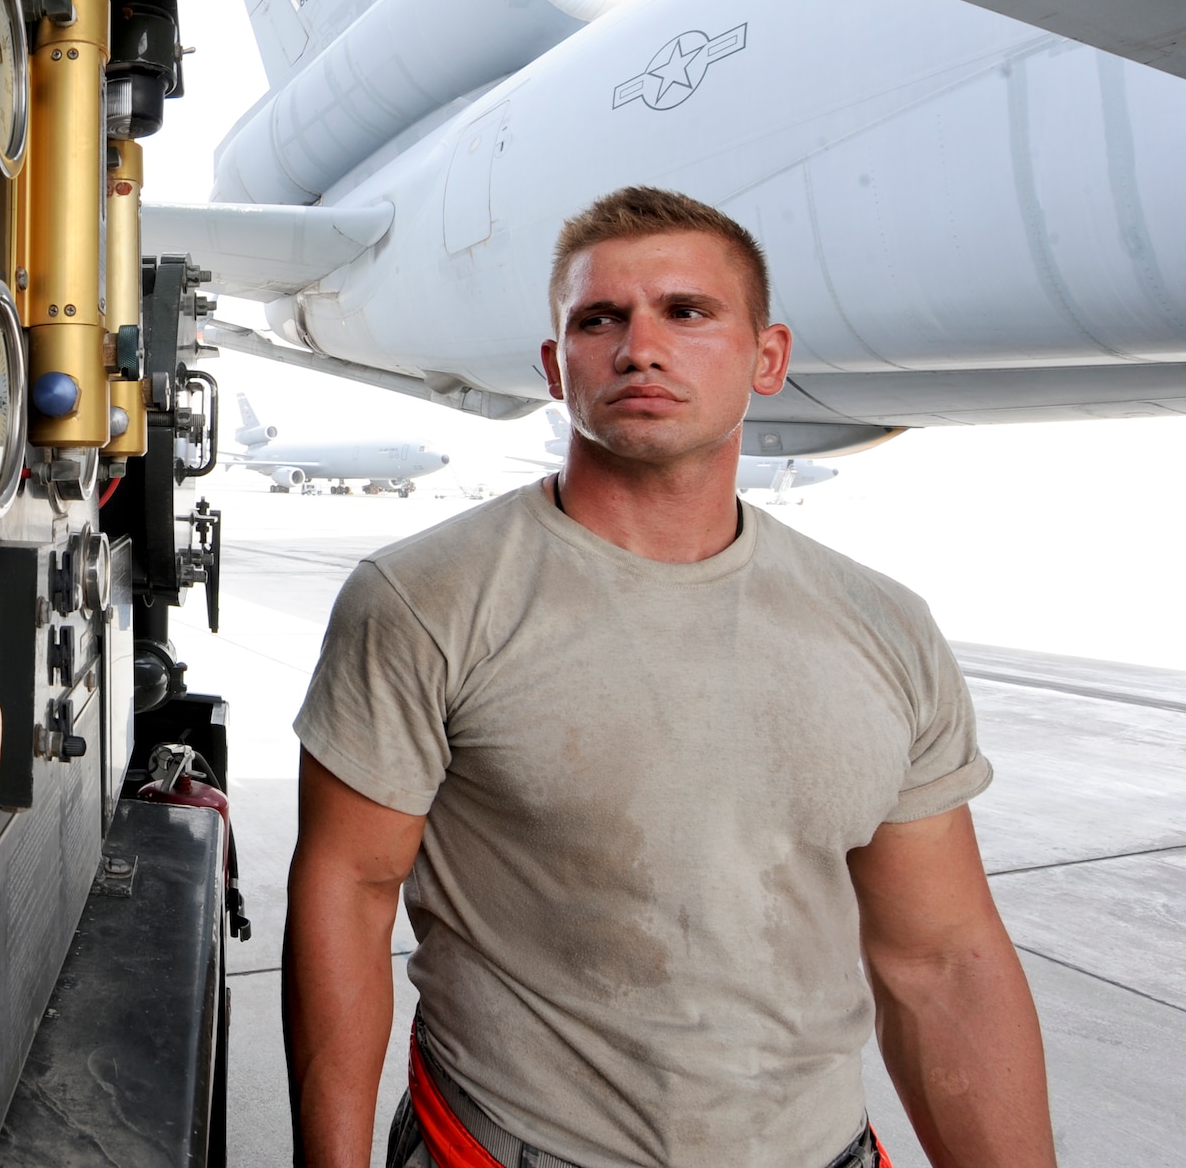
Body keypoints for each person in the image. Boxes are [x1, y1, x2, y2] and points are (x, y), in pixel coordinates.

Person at [282, 187, 1055, 1168]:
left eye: (685, 312)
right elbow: (348, 888)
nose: (638, 348)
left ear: (766, 356)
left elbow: (941, 959)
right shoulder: (424, 598)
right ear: (555, 365)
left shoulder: (883, 626)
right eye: (598, 319)